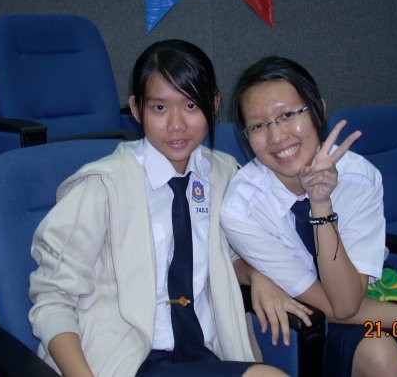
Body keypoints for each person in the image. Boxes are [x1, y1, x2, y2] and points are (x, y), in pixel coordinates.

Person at [28, 40, 290, 377]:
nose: (176, 124)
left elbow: (228, 251)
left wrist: (255, 274)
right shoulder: (101, 187)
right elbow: (53, 299)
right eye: (160, 108)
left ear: (214, 104)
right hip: (127, 361)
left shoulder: (224, 175)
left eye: (191, 105)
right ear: (137, 110)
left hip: (204, 353)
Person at [220, 56, 397, 377]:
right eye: (259, 125)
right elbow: (340, 308)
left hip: (377, 300)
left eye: (287, 115)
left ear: (318, 110)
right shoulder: (241, 207)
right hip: (318, 322)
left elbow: (351, 296)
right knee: (381, 356)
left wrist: (321, 202)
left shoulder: (358, 176)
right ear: (246, 135)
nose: (276, 137)